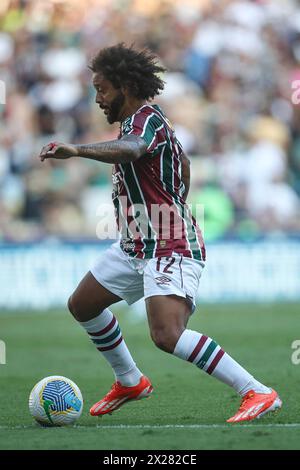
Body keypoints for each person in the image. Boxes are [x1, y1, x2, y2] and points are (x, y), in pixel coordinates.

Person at [39, 43, 281, 423]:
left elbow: (133, 150)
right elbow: (182, 162)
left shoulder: (144, 120)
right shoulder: (140, 122)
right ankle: (130, 380)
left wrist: (77, 149)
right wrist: (175, 194)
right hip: (135, 245)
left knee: (167, 334)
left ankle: (258, 391)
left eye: (103, 89)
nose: (98, 98)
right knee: (83, 304)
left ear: (125, 86)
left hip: (170, 245)